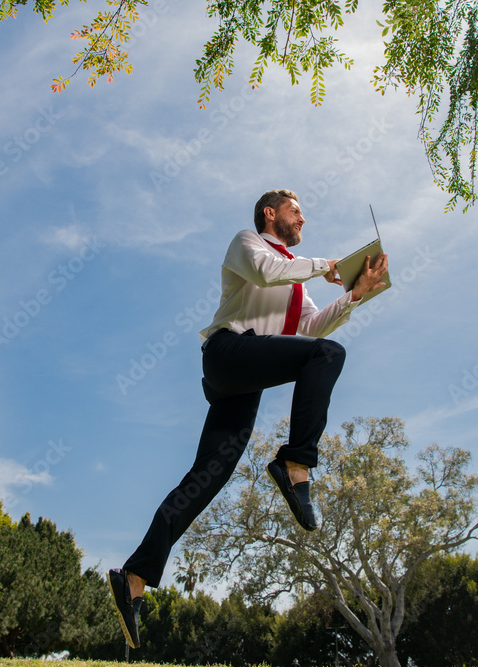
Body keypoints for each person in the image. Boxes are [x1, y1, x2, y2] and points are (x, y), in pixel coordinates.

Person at [108, 189, 389, 648]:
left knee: (207, 477)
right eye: (297, 211)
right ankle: (295, 463)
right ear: (270, 213)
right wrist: (326, 265)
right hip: (226, 354)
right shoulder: (247, 244)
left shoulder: (297, 287)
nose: (303, 219)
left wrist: (354, 295)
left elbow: (311, 332)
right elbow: (266, 272)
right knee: (329, 355)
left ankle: (134, 577)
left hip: (243, 381)